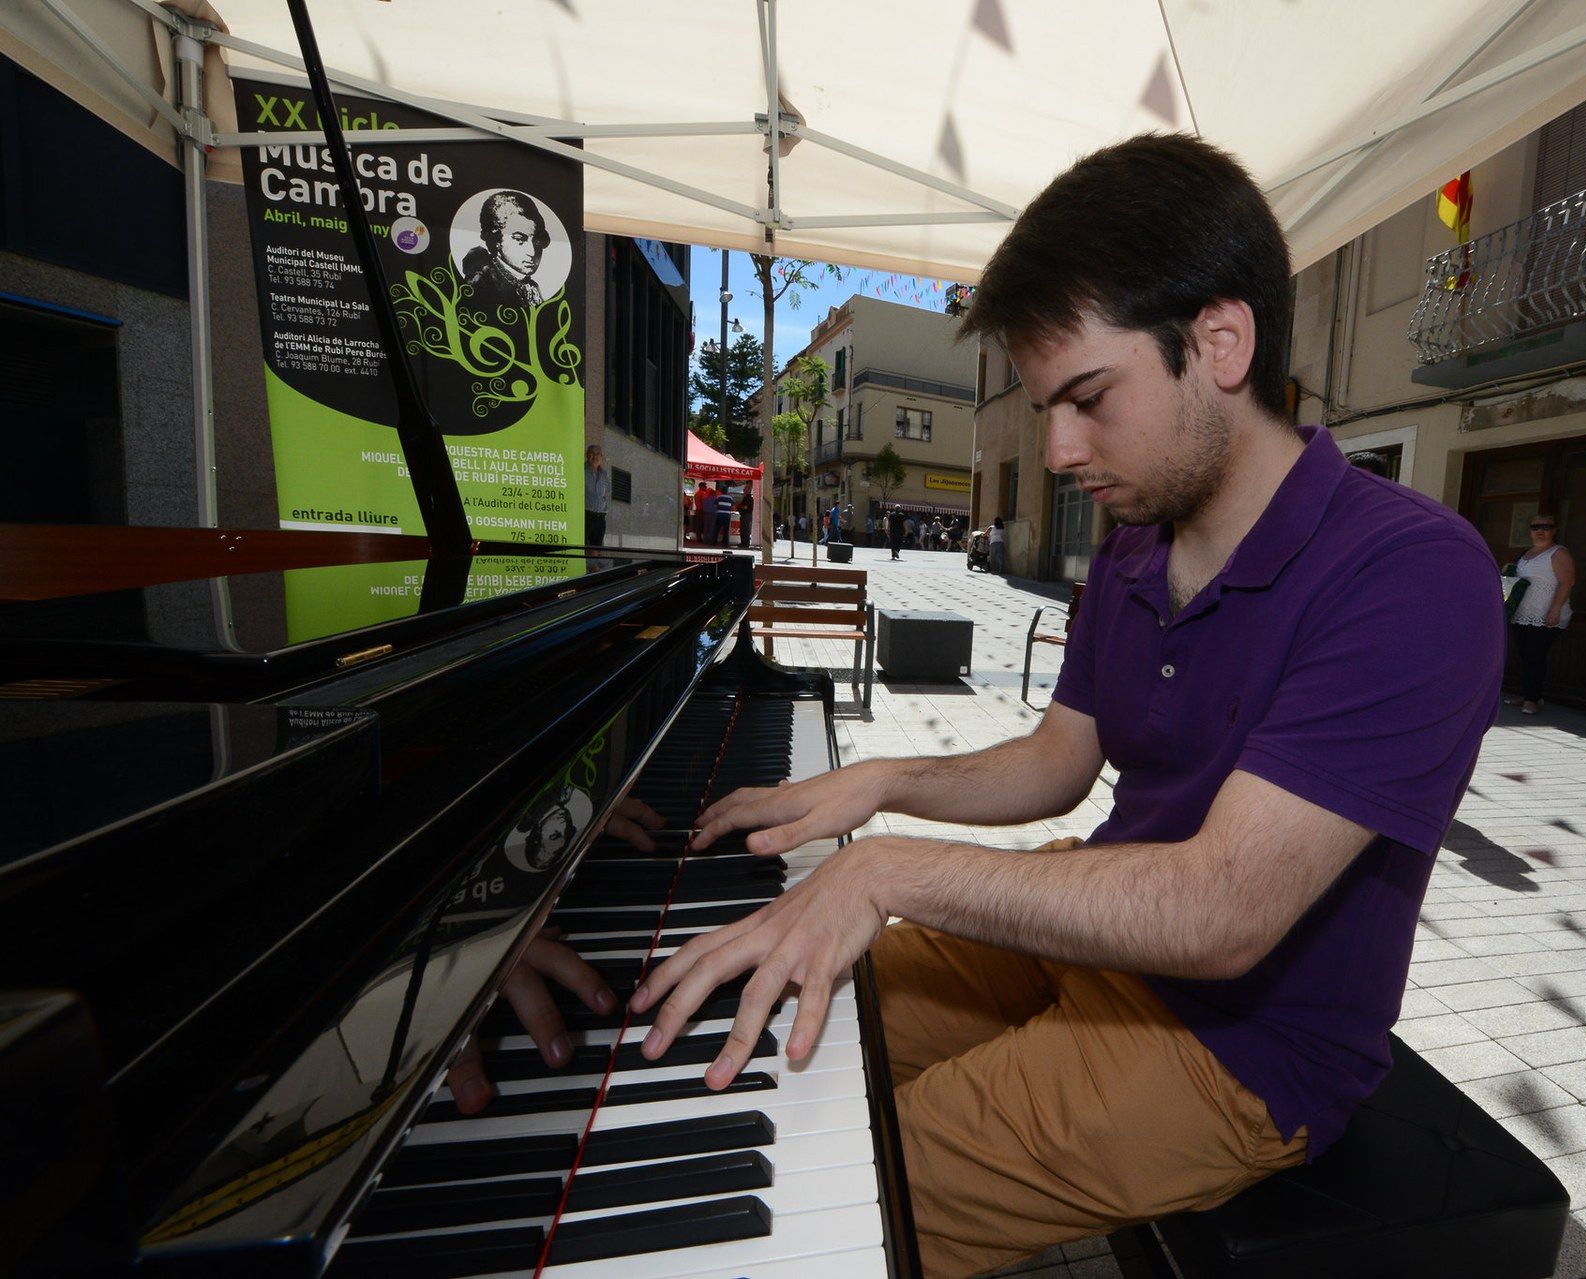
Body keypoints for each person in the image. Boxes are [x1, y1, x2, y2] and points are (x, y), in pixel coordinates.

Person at [454, 135, 1504, 1279]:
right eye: (1047, 405)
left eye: (1088, 397)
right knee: (780, 1030)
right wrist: (881, 782)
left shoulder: (1410, 571)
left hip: (1243, 1045)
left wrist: (888, 869)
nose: (1057, 449)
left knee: (831, 1181)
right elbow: (1060, 759)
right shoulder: (1136, 545)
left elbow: (1221, 912)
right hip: (1093, 926)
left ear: (1220, 342)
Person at [1505, 513, 1575, 714]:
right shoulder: (1525, 555)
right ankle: (1527, 694)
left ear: (1554, 530)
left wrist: (1555, 609)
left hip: (1545, 616)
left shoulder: (1558, 553)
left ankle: (1532, 699)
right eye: (1535, 527)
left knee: (1535, 656)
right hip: (1522, 614)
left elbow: (1567, 582)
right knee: (1525, 656)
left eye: (1546, 527)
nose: (1540, 531)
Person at [461, 190, 549, 317]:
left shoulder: (531, 286)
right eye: (519, 239)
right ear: (496, 240)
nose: (532, 252)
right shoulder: (482, 284)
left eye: (537, 242)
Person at [583, 444, 609, 547]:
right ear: (587, 455)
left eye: (598, 454)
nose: (595, 456)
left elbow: (606, 493)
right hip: (585, 515)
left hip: (600, 517)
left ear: (601, 457)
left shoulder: (604, 474)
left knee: (597, 548)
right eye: (592, 453)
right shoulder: (581, 471)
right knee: (583, 545)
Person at [711, 485, 735, 549]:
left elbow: (715, 506)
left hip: (719, 515)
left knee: (716, 529)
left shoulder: (718, 497)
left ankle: (713, 542)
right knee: (726, 530)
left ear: (721, 491)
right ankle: (725, 544)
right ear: (727, 491)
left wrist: (719, 509)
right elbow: (733, 507)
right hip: (727, 516)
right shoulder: (730, 498)